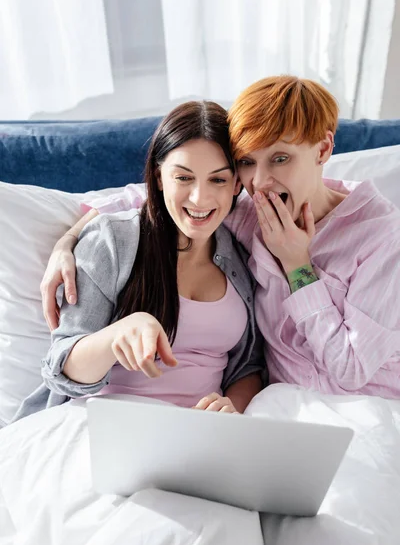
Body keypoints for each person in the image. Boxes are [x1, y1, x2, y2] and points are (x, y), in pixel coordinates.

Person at [42, 75, 400, 400]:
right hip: (279, 410)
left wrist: (297, 268)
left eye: (280, 159)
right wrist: (68, 241)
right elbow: (160, 194)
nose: (258, 182)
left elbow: (350, 370)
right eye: (246, 162)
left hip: (363, 408)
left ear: (323, 150)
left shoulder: (382, 237)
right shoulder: (245, 211)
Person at [15, 101, 264, 421]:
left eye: (217, 180)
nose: (200, 198)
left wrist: (231, 407)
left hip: (201, 436)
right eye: (184, 178)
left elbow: (249, 366)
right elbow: (63, 370)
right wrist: (117, 335)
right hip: (109, 425)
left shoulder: (243, 256)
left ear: (236, 184)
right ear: (160, 178)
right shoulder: (113, 241)